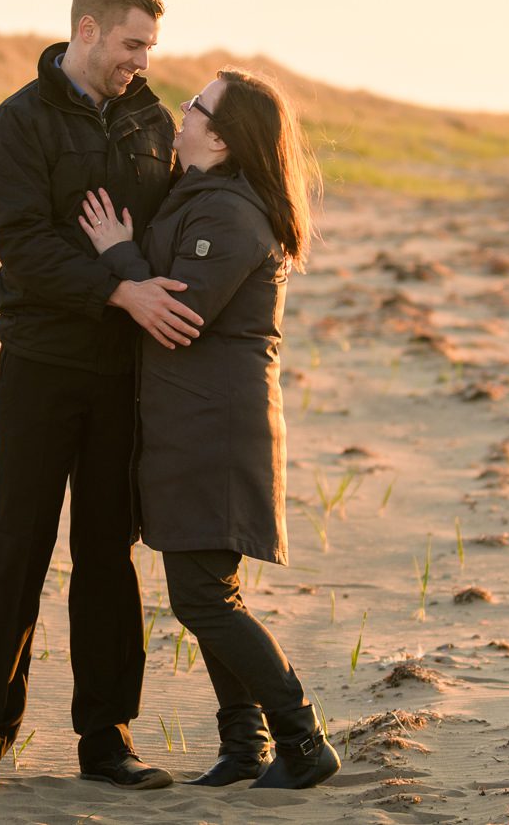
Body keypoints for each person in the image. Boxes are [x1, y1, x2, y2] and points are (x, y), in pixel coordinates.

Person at [0, 0, 204, 796]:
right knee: (16, 546)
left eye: (150, 45)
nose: (142, 60)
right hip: (40, 364)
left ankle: (107, 738)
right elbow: (22, 242)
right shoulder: (17, 121)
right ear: (87, 30)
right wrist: (118, 286)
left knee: (106, 553)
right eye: (132, 43)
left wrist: (142, 270)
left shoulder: (151, 120)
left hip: (124, 374)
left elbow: (163, 230)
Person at [77, 67, 340, 792]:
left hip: (215, 431)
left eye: (196, 107)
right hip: (193, 423)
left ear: (221, 138)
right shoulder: (201, 195)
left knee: (202, 597)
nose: (182, 112)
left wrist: (116, 254)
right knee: (209, 591)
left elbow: (178, 313)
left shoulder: (228, 213)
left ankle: (302, 737)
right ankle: (246, 742)